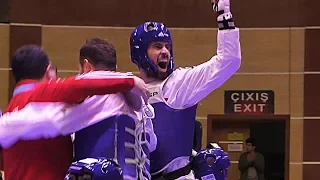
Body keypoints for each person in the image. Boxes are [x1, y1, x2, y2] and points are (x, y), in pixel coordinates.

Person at [1, 44, 149, 180]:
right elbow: (80, 85)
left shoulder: (11, 109)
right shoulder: (42, 93)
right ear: (48, 71)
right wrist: (130, 81)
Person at [129, 0, 241, 178]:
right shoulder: (127, 87)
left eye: (168, 46)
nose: (165, 51)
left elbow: (229, 60)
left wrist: (224, 15)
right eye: (157, 46)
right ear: (139, 53)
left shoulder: (179, 84)